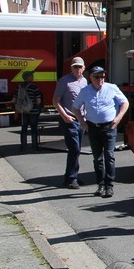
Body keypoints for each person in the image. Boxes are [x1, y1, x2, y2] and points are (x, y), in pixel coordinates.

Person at [74, 66, 129, 198]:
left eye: (102, 76)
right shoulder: (85, 91)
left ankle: (109, 185)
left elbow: (125, 103)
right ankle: (100, 184)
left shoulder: (112, 88)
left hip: (109, 127)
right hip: (93, 127)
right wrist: (82, 122)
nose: (100, 79)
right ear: (90, 77)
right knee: (97, 158)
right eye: (97, 77)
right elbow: (75, 107)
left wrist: (119, 118)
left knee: (109, 156)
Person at [53, 57, 87, 188]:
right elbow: (56, 100)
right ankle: (71, 178)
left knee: (77, 149)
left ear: (84, 68)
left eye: (80, 67)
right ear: (71, 68)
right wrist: (65, 115)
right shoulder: (64, 81)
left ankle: (71, 176)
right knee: (74, 148)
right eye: (75, 67)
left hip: (81, 119)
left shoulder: (84, 81)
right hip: (70, 119)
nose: (78, 69)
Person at [13, 70, 43, 152]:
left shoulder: (18, 87)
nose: (33, 77)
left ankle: (23, 146)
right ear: (28, 77)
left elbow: (14, 99)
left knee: (24, 129)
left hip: (23, 112)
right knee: (34, 129)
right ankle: (34, 146)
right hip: (33, 111)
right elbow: (38, 101)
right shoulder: (34, 87)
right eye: (31, 76)